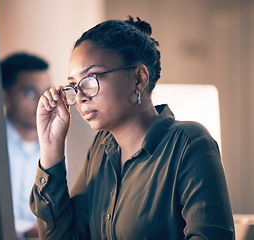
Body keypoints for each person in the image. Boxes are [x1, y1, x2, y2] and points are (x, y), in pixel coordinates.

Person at [30, 17, 235, 239]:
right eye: (74, 85)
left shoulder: (189, 143)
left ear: (139, 79)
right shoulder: (100, 150)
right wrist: (50, 146)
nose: (80, 97)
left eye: (90, 79)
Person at [0, 52, 52, 239]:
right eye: (30, 93)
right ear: (6, 96)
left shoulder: (60, 145)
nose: (42, 102)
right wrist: (27, 230)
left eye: (46, 92)